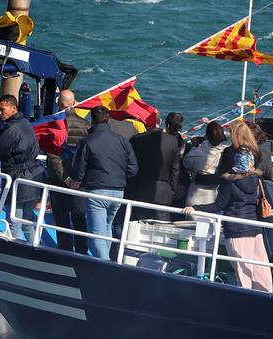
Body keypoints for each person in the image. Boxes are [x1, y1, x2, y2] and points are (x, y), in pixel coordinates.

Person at [183, 147, 273, 293]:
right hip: (255, 229)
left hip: (237, 231)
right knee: (260, 271)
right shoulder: (256, 180)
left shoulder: (229, 182)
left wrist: (195, 208)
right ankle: (267, 300)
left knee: (243, 273)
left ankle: (246, 304)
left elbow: (218, 205)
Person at [67, 106, 137, 260]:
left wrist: (77, 180)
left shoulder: (87, 141)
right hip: (118, 191)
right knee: (107, 227)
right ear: (108, 119)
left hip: (97, 191)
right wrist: (121, 177)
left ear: (92, 121)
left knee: (97, 234)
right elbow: (133, 168)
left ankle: (106, 265)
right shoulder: (122, 141)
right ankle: (107, 262)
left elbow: (78, 171)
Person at [0, 94, 46, 240]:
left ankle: (19, 249)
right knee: (27, 221)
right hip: (34, 176)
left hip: (18, 178)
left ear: (13, 109)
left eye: (2, 109)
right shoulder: (25, 123)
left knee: (13, 220)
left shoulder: (11, 129)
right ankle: (33, 249)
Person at [46, 89, 89, 253]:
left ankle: (64, 251)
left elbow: (53, 157)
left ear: (58, 103)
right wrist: (79, 178)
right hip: (80, 181)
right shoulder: (86, 125)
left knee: (62, 219)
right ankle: (82, 251)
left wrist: (65, 179)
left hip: (59, 181)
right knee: (79, 218)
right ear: (75, 103)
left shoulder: (53, 124)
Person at [129, 112, 185, 220]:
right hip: (164, 190)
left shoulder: (138, 138)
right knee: (162, 225)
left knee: (140, 222)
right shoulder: (174, 141)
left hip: (142, 187)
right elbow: (175, 170)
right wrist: (172, 190)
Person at [184, 122, 228, 206]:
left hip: (195, 195)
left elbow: (186, 164)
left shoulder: (195, 153)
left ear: (207, 136)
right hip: (214, 196)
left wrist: (194, 146)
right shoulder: (224, 154)